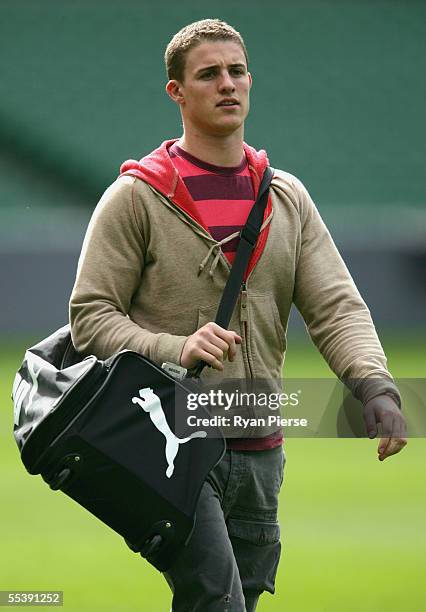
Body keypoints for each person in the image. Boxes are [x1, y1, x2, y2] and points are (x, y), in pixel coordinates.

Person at [69, 18, 407, 612]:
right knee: (215, 600)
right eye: (208, 74)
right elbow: (90, 318)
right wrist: (176, 347)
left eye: (237, 71)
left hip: (261, 444)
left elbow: (336, 307)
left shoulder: (285, 197)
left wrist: (373, 384)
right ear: (176, 91)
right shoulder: (135, 197)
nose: (228, 84)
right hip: (171, 442)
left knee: (239, 601)